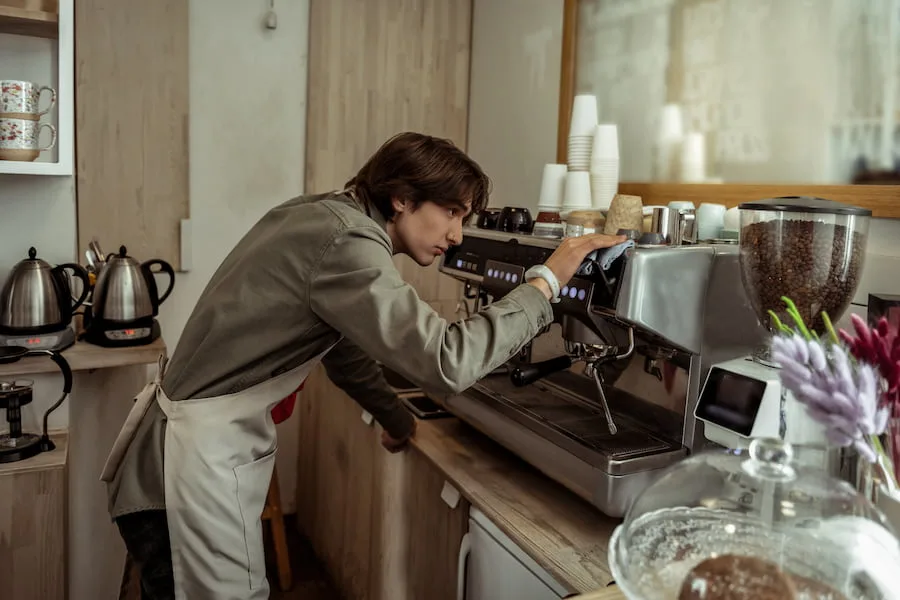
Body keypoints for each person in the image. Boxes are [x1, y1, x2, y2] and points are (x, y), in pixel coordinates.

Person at [101, 131, 625, 600]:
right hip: (185, 472)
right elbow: (448, 360)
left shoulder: (319, 213)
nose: (459, 235)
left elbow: (345, 348)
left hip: (172, 461)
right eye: (452, 212)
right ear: (401, 197)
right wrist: (546, 283)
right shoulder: (347, 240)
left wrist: (395, 419)